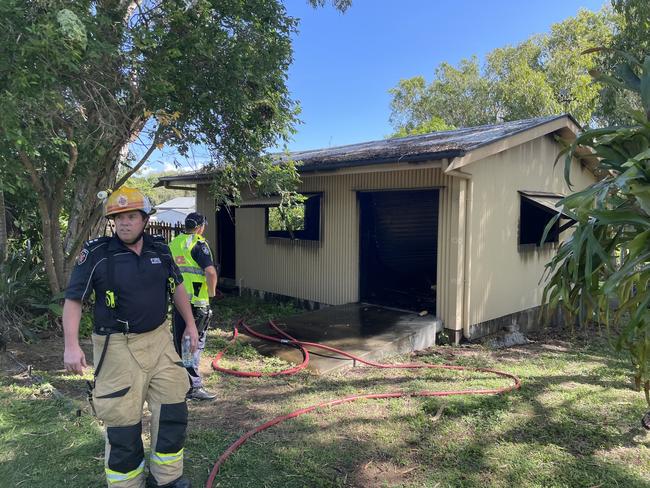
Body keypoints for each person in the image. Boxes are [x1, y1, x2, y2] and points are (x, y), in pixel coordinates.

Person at [62, 187, 199, 488]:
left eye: (131, 216)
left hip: (160, 339)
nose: (124, 223)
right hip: (117, 347)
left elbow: (176, 286)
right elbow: (73, 300)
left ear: (144, 219)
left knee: (173, 406)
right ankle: (127, 484)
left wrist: (189, 324)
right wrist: (71, 346)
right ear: (112, 221)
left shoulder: (159, 249)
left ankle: (167, 479)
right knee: (122, 421)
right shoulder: (97, 253)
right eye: (118, 217)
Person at [169, 212, 218, 401]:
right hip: (197, 302)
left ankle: (181, 383)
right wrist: (211, 292)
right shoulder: (198, 244)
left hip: (179, 302)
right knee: (193, 344)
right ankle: (194, 387)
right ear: (200, 227)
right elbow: (210, 272)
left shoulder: (174, 243)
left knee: (179, 343)